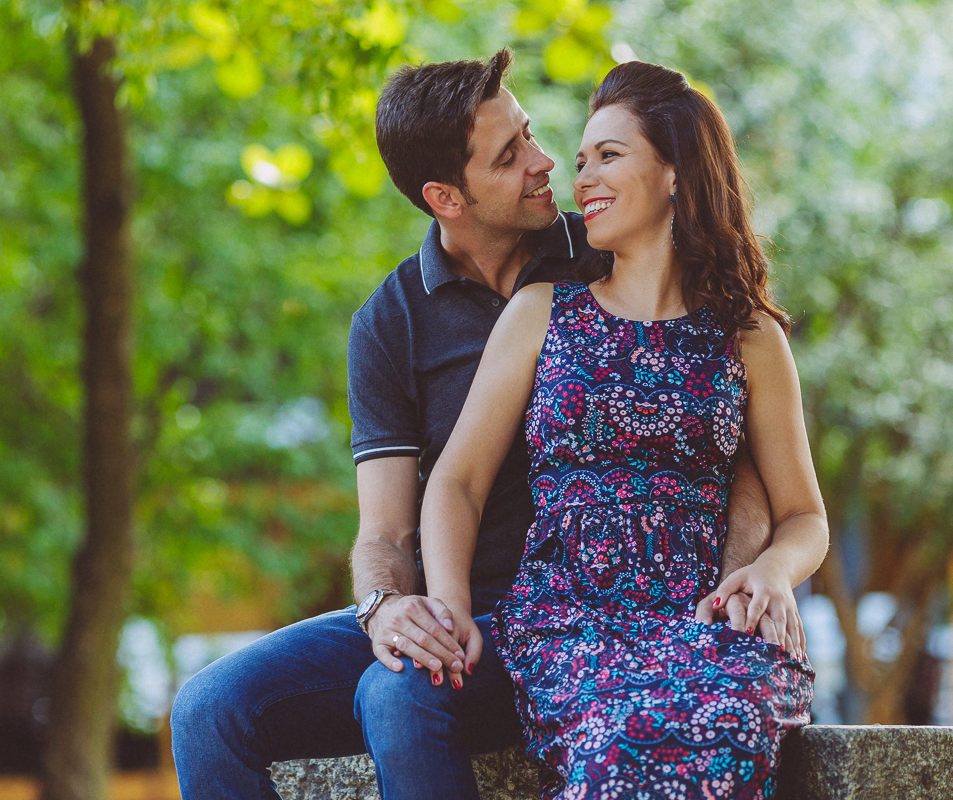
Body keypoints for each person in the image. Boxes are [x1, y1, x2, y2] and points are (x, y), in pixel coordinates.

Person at [170, 51, 788, 800]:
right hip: (455, 602)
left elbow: (730, 430)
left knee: (395, 696)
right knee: (209, 709)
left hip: (603, 607)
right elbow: (386, 533)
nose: (547, 162)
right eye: (511, 154)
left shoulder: (604, 242)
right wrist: (389, 610)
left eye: (528, 133)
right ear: (446, 197)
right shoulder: (391, 323)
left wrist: (747, 571)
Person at [420, 61, 826, 800]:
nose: (583, 178)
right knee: (622, 739)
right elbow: (457, 480)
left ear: (676, 172)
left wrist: (771, 572)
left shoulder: (751, 336)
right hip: (567, 622)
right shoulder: (543, 311)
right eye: (580, 161)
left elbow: (805, 515)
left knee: (725, 725)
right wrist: (449, 608)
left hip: (701, 620)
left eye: (609, 155)